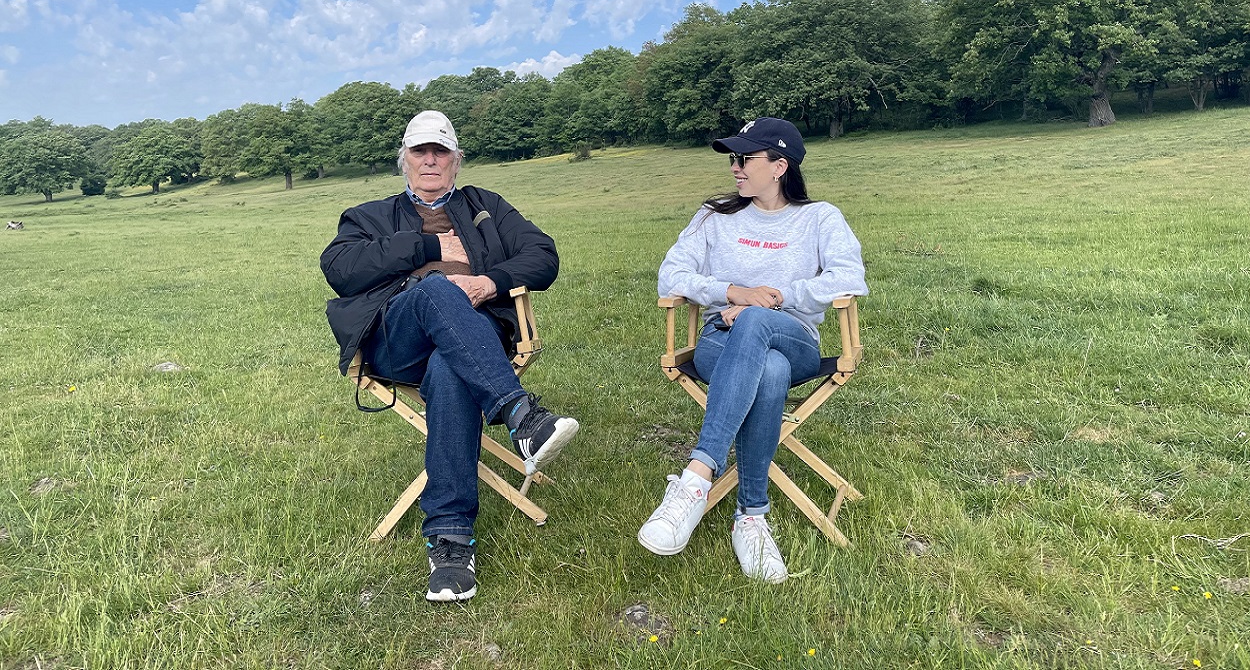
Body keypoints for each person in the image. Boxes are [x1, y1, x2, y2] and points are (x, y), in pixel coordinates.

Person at [321, 110, 579, 603]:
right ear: (405, 160)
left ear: (457, 161)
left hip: (470, 343)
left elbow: (543, 255)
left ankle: (451, 541)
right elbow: (341, 268)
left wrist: (488, 282)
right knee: (437, 290)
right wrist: (425, 246)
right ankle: (521, 415)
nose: (431, 160)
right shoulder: (369, 216)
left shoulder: (486, 207)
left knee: (452, 370)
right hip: (396, 341)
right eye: (421, 151)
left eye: (441, 151)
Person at [638, 117, 867, 583]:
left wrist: (773, 298)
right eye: (732, 159)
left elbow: (848, 277)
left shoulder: (819, 217)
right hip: (719, 342)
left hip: (795, 336)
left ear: (780, 165)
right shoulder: (713, 216)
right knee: (769, 371)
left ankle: (696, 479)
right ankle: (752, 519)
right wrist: (733, 292)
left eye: (745, 159)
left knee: (765, 334)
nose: (735, 168)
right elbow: (671, 277)